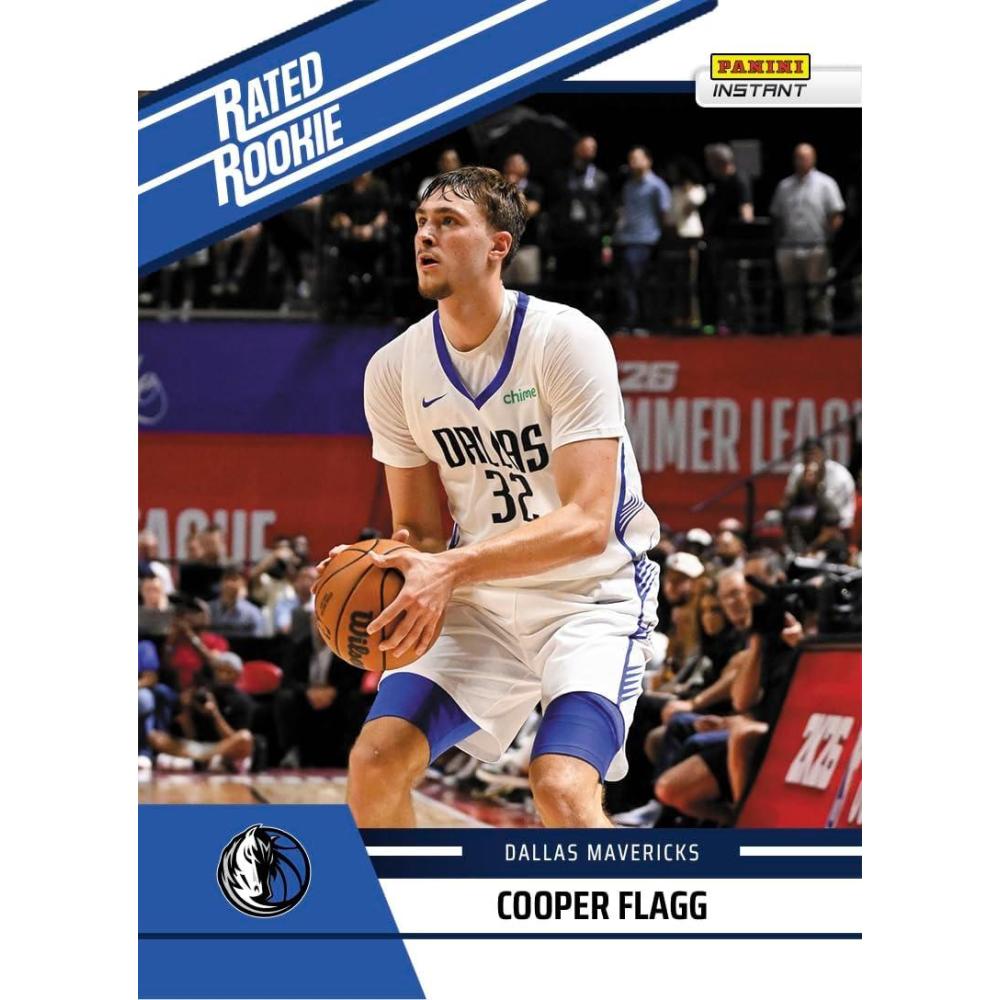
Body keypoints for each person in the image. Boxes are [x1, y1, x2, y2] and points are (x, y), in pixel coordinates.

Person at [327, 165, 661, 828]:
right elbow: (420, 530)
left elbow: (588, 523)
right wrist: (381, 563)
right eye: (421, 223)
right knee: (374, 764)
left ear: (497, 246)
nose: (425, 236)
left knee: (560, 788)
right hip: (478, 603)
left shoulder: (564, 340)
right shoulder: (393, 369)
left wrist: (447, 567)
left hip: (588, 601)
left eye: (448, 222)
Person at [769, 144, 845, 333]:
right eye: (798, 157)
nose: (801, 161)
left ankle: (822, 332)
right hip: (789, 247)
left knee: (819, 292)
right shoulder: (784, 186)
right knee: (791, 293)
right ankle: (794, 332)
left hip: (816, 247)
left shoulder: (826, 184)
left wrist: (828, 239)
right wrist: (778, 242)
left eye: (805, 157)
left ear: (813, 159)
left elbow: (836, 214)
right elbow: (776, 216)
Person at [147, 651, 255, 772]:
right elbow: (191, 736)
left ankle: (199, 762)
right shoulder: (202, 695)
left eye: (228, 672)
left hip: (223, 748)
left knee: (245, 737)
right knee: (154, 736)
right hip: (200, 749)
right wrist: (186, 711)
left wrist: (215, 714)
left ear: (238, 675)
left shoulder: (243, 701)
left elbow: (234, 738)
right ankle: (205, 761)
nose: (223, 676)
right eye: (220, 671)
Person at [612, 146, 671, 332]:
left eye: (636, 158)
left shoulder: (657, 186)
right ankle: (629, 320)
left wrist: (660, 236)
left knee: (637, 283)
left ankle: (639, 322)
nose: (632, 163)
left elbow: (664, 214)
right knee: (624, 283)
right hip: (625, 239)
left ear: (648, 161)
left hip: (646, 240)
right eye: (630, 159)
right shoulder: (628, 186)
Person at [549, 136, 610, 311]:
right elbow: (553, 205)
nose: (590, 151)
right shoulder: (561, 176)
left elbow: (607, 208)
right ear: (576, 149)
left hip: (590, 238)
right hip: (565, 237)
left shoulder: (600, 178)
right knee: (564, 282)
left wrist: (601, 231)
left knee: (588, 282)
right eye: (586, 147)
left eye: (593, 148)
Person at [784, 437, 856, 530]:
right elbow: (787, 501)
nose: (811, 458)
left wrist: (816, 486)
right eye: (807, 454)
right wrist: (802, 485)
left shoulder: (839, 475)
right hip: (807, 522)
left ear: (823, 454)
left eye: (814, 453)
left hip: (837, 525)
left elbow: (832, 514)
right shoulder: (799, 471)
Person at [499, 154, 543, 287]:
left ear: (526, 168)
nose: (513, 167)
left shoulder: (534, 189)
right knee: (504, 288)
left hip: (527, 247)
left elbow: (530, 210)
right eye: (510, 164)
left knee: (529, 287)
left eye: (517, 164)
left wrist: (513, 189)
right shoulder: (498, 190)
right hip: (505, 249)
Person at [208, 567, 266, 637]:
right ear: (220, 583)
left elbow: (258, 637)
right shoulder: (208, 610)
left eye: (234, 580)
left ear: (242, 584)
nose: (229, 583)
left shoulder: (252, 612)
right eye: (226, 579)